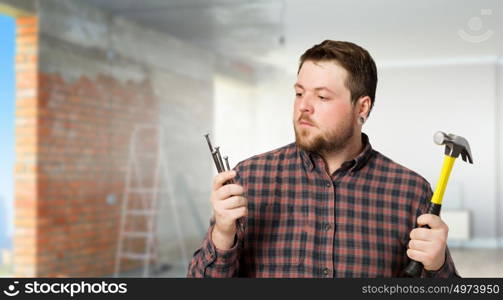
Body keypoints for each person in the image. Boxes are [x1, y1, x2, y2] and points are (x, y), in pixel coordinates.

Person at [187, 40, 459, 277]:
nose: (303, 106)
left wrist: (437, 266)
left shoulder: (409, 191)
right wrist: (222, 235)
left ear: (362, 107)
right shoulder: (249, 178)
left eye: (321, 96)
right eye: (299, 93)